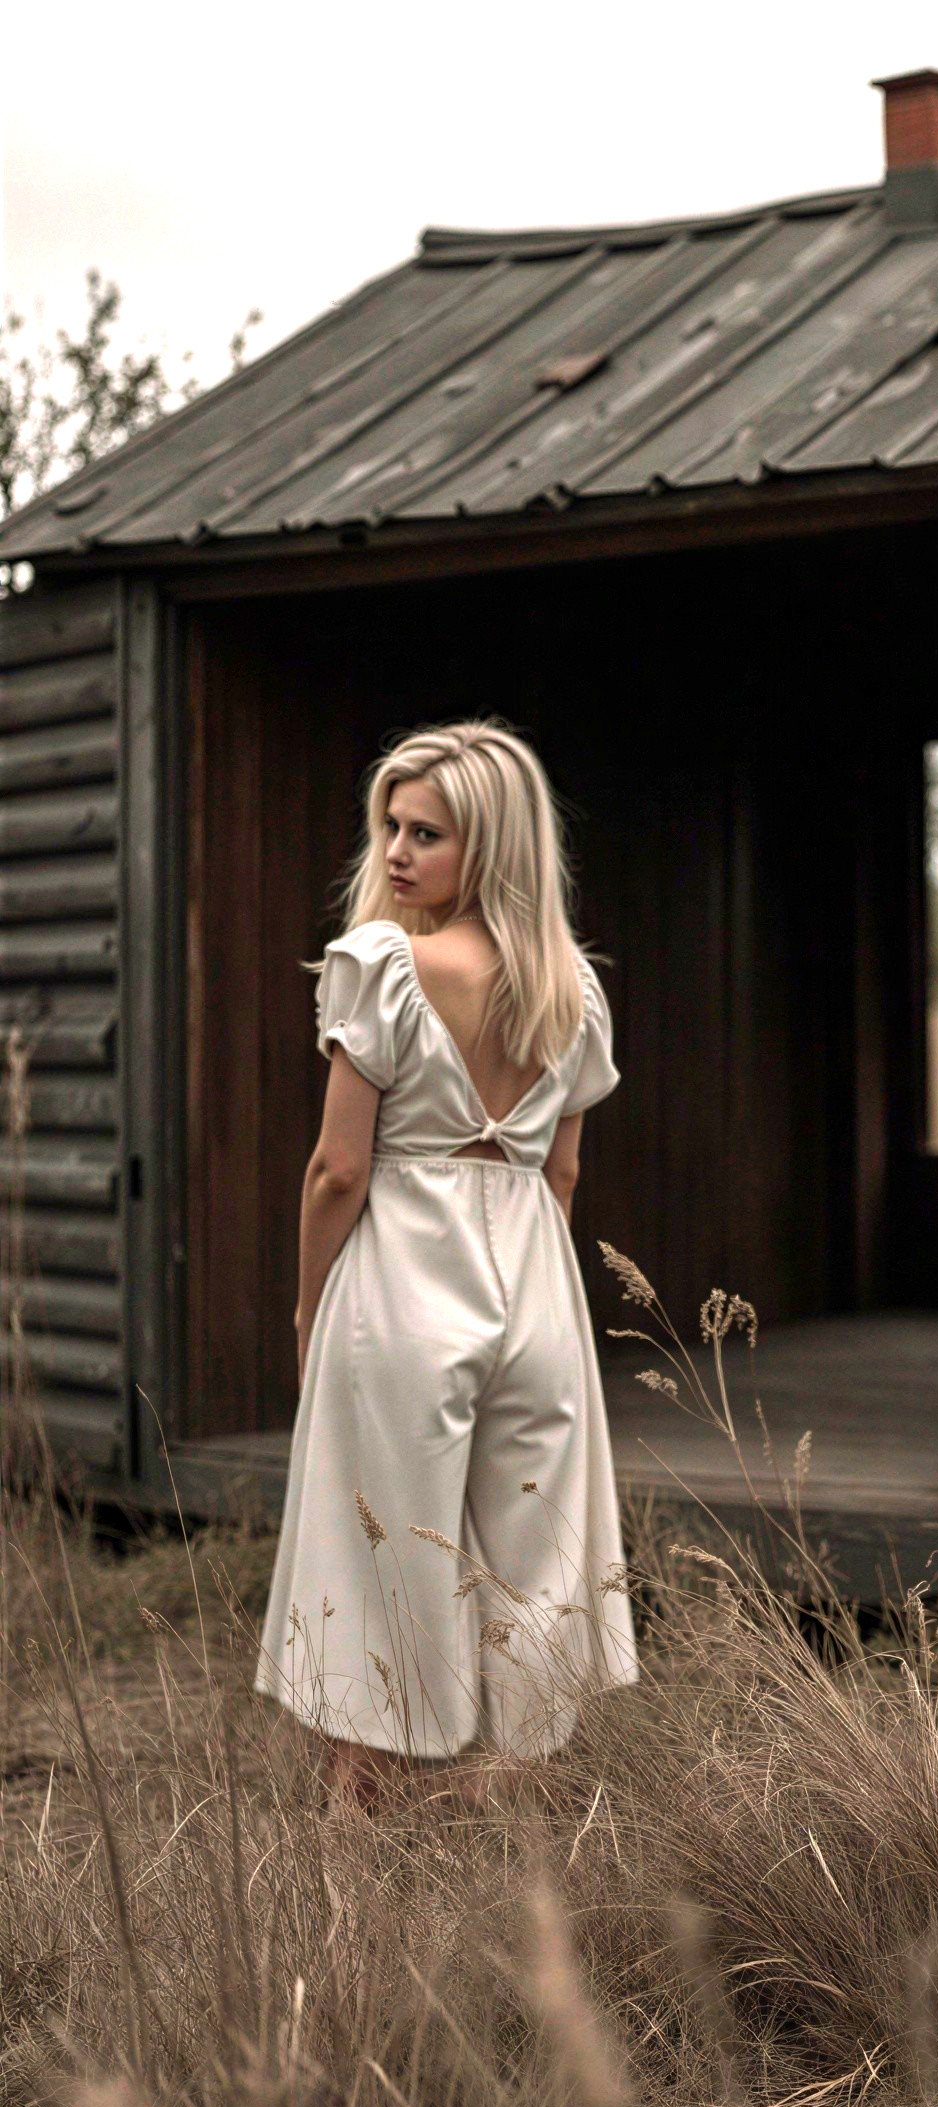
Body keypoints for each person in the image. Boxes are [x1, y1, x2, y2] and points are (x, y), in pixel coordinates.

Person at [255, 721, 638, 1805]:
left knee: (379, 1563)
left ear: (493, 848)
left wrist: (307, 1308)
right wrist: (529, 1286)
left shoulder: (381, 963)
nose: (395, 851)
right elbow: (561, 1176)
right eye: (390, 825)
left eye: (428, 832)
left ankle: (353, 1853)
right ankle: (519, 1848)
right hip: (535, 1289)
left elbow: (338, 1169)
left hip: (404, 1282)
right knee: (539, 1572)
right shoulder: (577, 991)